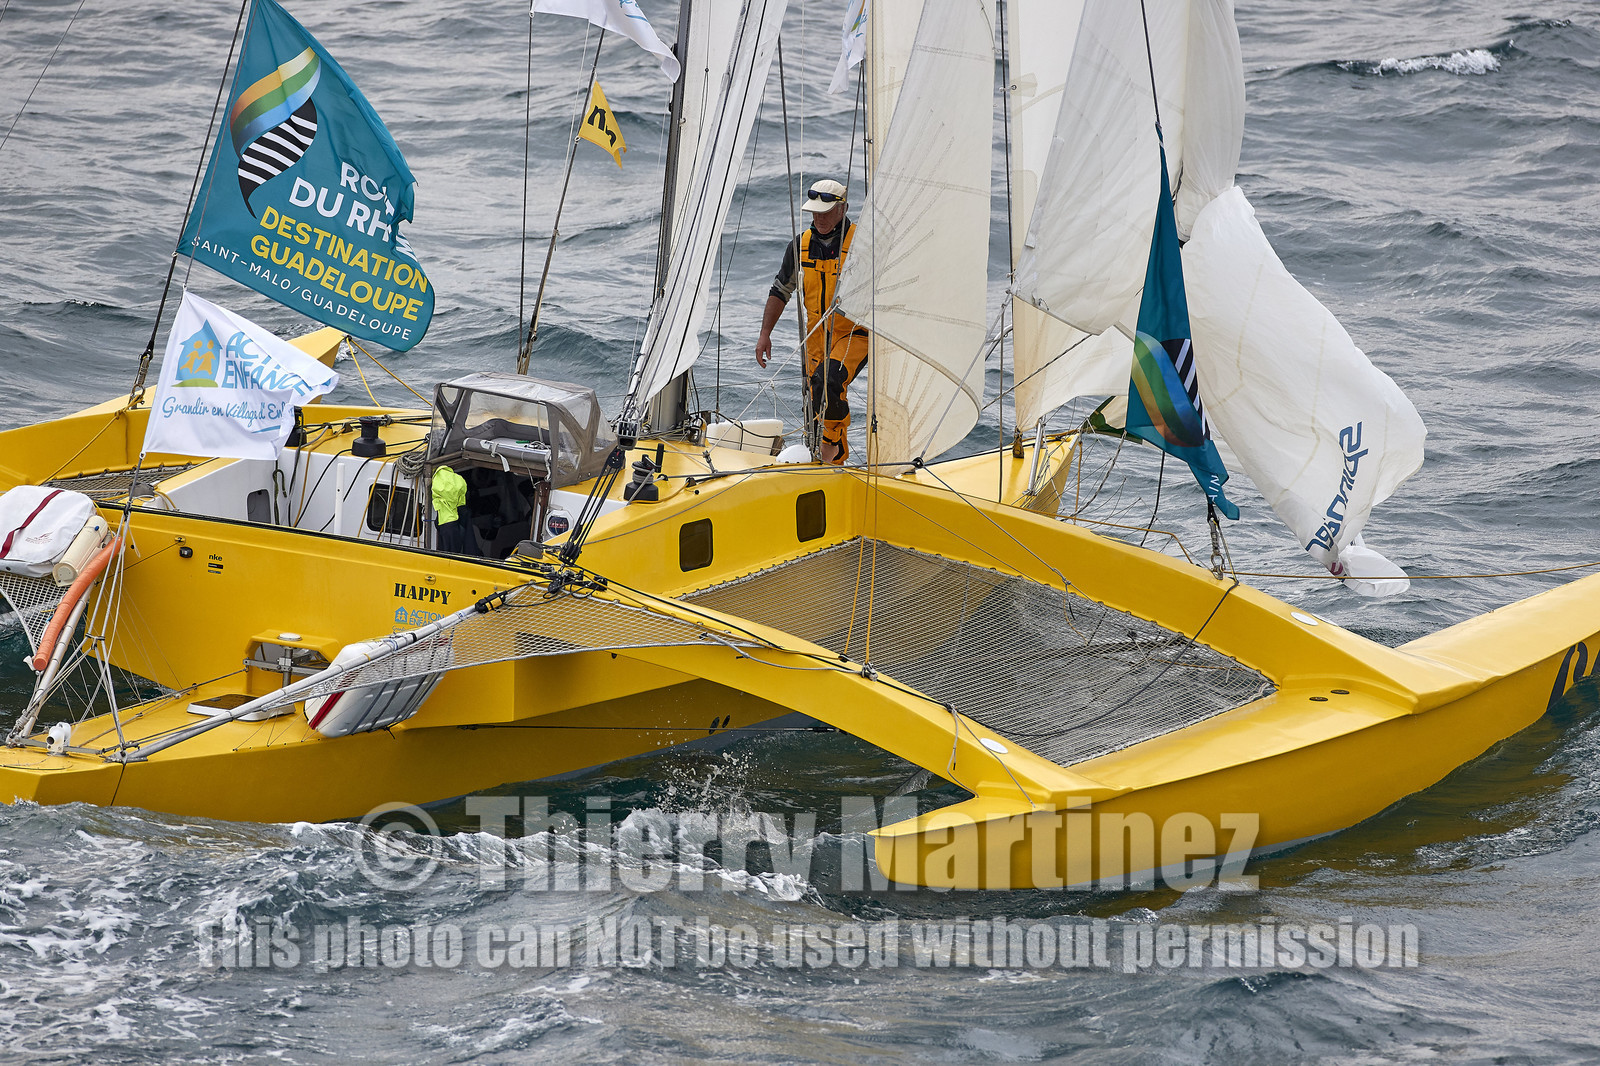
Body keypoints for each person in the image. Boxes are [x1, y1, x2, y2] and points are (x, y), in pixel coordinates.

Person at [754, 178, 869, 464]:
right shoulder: (800, 246)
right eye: (814, 212)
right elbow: (780, 290)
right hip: (815, 336)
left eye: (825, 212)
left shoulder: (863, 243)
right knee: (815, 399)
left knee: (830, 381)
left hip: (854, 333)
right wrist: (764, 334)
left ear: (842, 209)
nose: (818, 218)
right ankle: (823, 460)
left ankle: (834, 451)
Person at [431, 464, 471, 555]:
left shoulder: (438, 481)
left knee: (447, 554)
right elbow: (461, 499)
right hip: (457, 518)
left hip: (445, 522)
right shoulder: (458, 479)